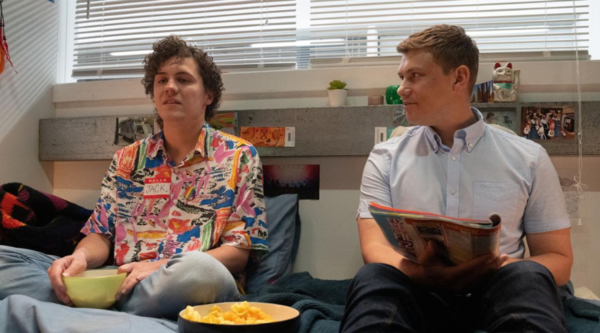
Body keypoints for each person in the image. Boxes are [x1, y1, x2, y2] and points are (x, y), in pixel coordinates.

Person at [0, 35, 268, 320]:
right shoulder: (127, 159)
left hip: (181, 280)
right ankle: (101, 303)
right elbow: (100, 235)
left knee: (203, 273)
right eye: (161, 80)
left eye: (184, 79)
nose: (170, 87)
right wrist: (79, 258)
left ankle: (91, 307)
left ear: (208, 95)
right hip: (119, 278)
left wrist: (158, 266)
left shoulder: (239, 155)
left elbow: (239, 252)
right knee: (6, 259)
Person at [340, 25, 572, 333]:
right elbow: (374, 248)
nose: (402, 89)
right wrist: (424, 275)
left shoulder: (528, 158)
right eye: (402, 78)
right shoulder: (385, 157)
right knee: (373, 278)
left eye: (415, 76)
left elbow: (559, 259)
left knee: (530, 276)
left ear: (459, 78)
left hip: (497, 294)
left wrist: (500, 268)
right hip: (416, 291)